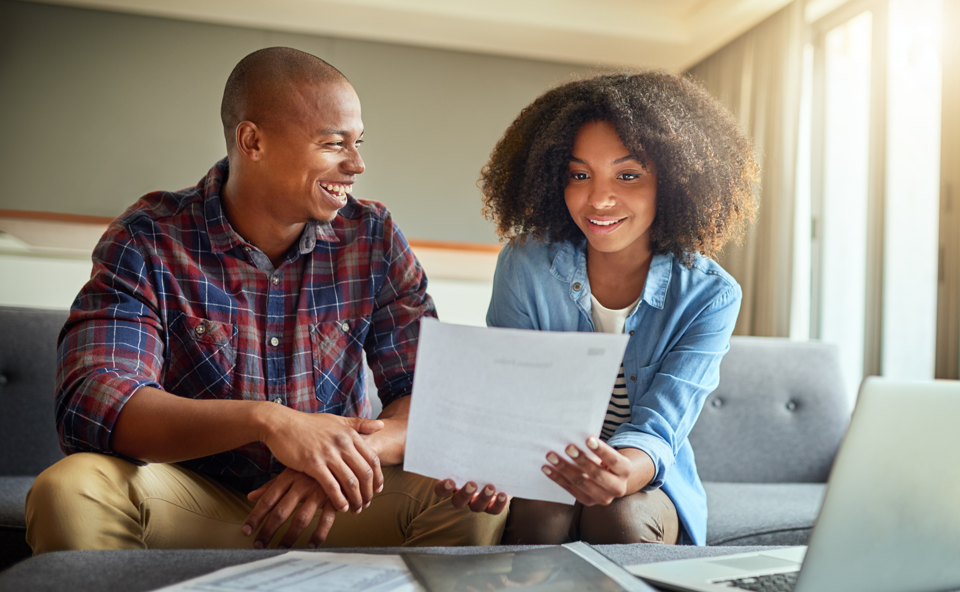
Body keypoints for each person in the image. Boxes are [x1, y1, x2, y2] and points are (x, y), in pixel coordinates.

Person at [25, 47, 506, 552]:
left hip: (333, 504)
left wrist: (334, 459)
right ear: (252, 141)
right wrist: (270, 422)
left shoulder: (374, 237)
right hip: (192, 498)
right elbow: (96, 401)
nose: (357, 163)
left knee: (467, 495)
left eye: (358, 142)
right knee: (70, 489)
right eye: (333, 143)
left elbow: (430, 395)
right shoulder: (148, 237)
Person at [436, 72, 759, 546]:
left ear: (673, 185)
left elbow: (660, 427)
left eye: (628, 176)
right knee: (543, 512)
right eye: (579, 174)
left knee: (617, 516)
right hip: (542, 468)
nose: (599, 198)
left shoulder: (710, 295)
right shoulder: (525, 264)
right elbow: (510, 399)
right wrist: (486, 460)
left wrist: (619, 473)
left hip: (643, 481)